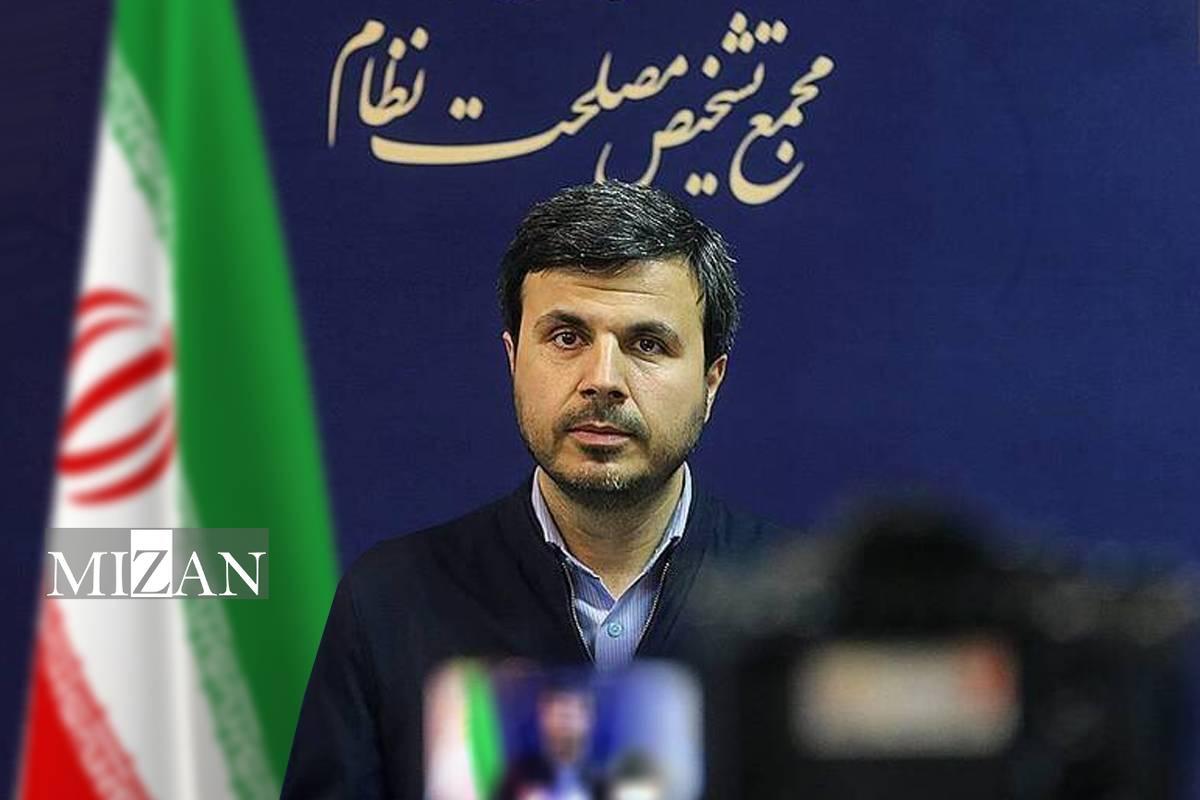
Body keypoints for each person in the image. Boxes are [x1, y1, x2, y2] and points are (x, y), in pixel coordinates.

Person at [281, 181, 783, 799]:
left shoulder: (798, 615)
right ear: (513, 358)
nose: (603, 380)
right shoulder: (390, 601)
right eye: (567, 337)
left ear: (711, 380)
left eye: (647, 344)